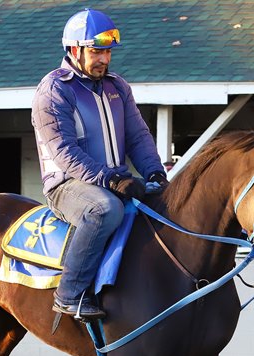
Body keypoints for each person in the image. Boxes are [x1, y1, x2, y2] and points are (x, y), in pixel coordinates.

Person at [31, 8, 168, 321]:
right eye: (97, 52)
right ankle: (70, 294)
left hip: (112, 180)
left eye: (107, 52)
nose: (104, 59)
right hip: (67, 185)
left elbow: (138, 136)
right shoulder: (53, 91)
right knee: (105, 209)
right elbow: (63, 152)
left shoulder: (117, 86)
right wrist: (110, 180)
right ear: (75, 50)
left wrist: (155, 172)